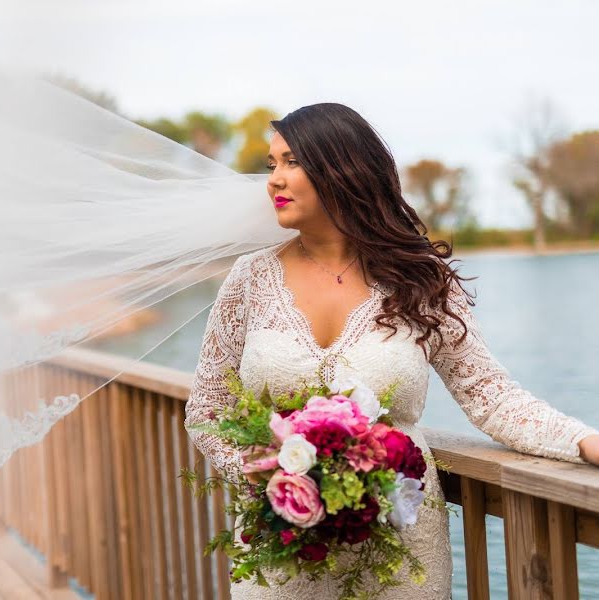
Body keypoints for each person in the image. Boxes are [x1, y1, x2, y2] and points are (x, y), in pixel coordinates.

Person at [183, 103, 599, 599]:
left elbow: (491, 396)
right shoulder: (249, 278)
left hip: (402, 550)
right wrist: (269, 476)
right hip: (284, 547)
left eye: (291, 161)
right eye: (272, 164)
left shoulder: (422, 280)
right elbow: (207, 408)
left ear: (343, 169)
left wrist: (582, 442)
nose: (274, 179)